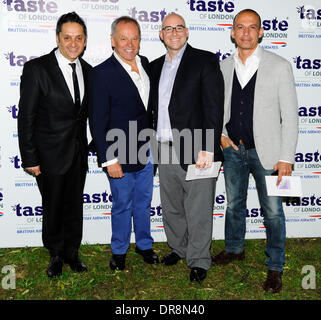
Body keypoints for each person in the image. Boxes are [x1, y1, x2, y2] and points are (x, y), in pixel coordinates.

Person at [211, 9, 299, 293]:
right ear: (232, 32)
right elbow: (216, 108)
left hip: (269, 154)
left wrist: (286, 158)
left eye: (252, 27)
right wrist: (222, 136)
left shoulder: (279, 65)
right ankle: (235, 248)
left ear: (261, 32)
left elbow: (291, 116)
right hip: (233, 150)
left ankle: (275, 266)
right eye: (240, 27)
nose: (246, 33)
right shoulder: (223, 67)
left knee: (273, 212)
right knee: (233, 204)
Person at [148, 13, 224, 283]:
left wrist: (208, 147)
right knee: (171, 206)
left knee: (199, 207)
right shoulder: (154, 66)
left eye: (179, 27)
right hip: (162, 146)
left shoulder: (204, 60)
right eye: (168, 28)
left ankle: (199, 260)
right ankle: (178, 248)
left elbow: (214, 108)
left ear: (187, 31)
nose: (174, 32)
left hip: (197, 147)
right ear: (161, 34)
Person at [18, 12, 92, 278]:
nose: (73, 43)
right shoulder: (38, 69)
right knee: (53, 205)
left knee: (74, 204)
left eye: (79, 38)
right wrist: (29, 157)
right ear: (58, 38)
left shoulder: (88, 70)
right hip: (48, 155)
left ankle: (72, 252)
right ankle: (56, 254)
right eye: (68, 37)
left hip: (78, 153)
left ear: (85, 41)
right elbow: (26, 117)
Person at [88, 16, 159, 271]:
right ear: (113, 41)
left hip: (147, 149)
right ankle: (119, 250)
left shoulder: (147, 65)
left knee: (144, 201)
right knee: (122, 204)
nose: (129, 44)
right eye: (123, 38)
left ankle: (144, 245)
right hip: (118, 151)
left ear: (140, 40)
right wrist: (109, 158)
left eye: (134, 38)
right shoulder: (101, 73)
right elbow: (97, 121)